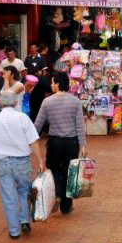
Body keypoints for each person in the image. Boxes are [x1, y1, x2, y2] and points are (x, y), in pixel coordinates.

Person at [0, 90, 45, 240]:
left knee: (8, 197)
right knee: (24, 191)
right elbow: (33, 141)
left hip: (2, 162)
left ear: (0, 103)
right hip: (22, 161)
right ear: (16, 102)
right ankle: (24, 220)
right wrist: (41, 161)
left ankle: (14, 231)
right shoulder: (23, 118)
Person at [34, 72, 86, 214]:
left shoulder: (47, 102)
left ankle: (57, 194)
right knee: (69, 171)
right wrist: (83, 145)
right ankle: (66, 205)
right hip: (72, 142)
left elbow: (38, 125)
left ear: (57, 84)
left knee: (54, 169)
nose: (51, 85)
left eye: (52, 82)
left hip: (54, 142)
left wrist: (30, 139)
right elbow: (79, 126)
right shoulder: (75, 102)